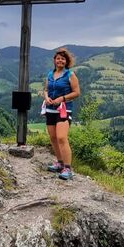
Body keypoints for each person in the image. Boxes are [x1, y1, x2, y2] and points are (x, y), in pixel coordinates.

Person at [43, 47, 80, 180]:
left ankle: (68, 169)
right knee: (53, 138)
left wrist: (62, 98)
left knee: (62, 138)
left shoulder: (70, 75)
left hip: (64, 110)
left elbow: (77, 92)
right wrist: (46, 97)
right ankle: (59, 163)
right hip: (50, 110)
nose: (60, 60)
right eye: (58, 58)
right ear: (54, 60)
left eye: (63, 59)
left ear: (66, 61)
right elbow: (46, 89)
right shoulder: (50, 74)